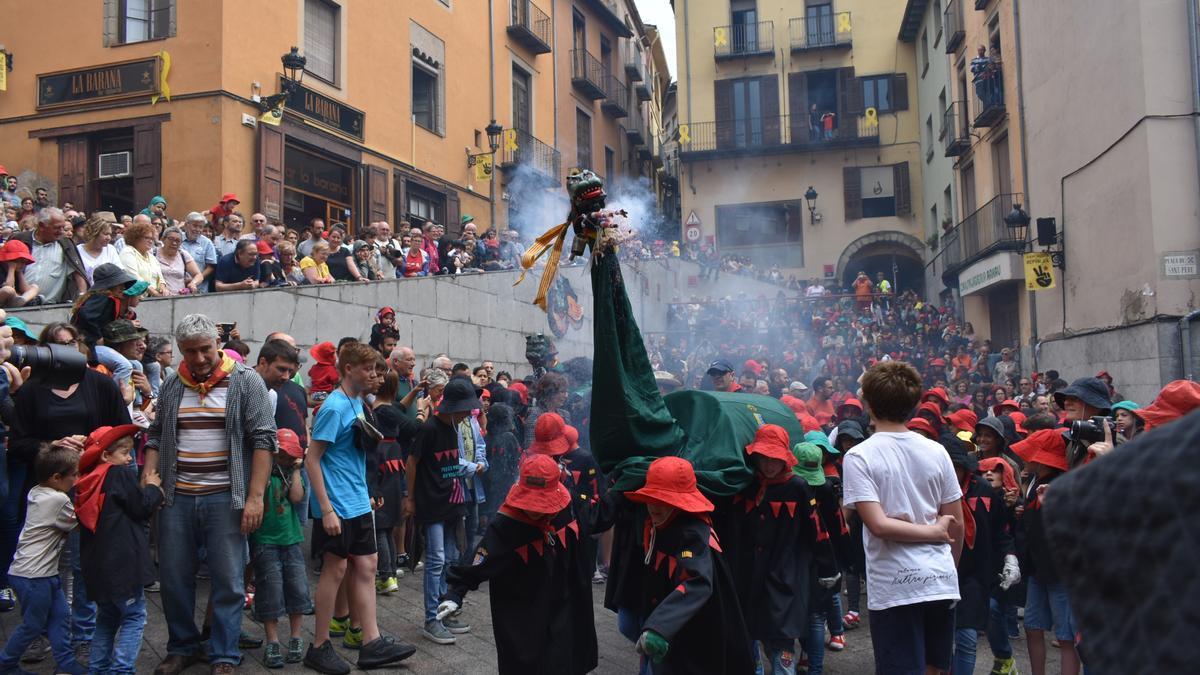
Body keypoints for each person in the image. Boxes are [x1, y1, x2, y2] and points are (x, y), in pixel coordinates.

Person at [143, 314, 277, 675]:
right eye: (190, 352)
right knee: (173, 578)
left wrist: (255, 497)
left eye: (205, 350)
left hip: (225, 497)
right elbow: (155, 435)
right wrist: (149, 477)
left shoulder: (246, 381)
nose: (199, 358)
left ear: (217, 344)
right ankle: (182, 647)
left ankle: (224, 653)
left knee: (229, 580)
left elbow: (265, 440)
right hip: (176, 497)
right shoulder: (173, 383)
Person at [841, 361, 964, 675]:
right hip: (940, 578)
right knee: (935, 668)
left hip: (896, 586)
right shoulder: (937, 451)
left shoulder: (859, 456)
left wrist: (937, 533)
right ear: (914, 403)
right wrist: (944, 556)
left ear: (868, 403)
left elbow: (879, 525)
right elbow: (956, 524)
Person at [304, 342, 416, 673]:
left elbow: (355, 456)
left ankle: (371, 642)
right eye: (369, 369)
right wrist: (325, 509)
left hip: (357, 502)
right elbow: (312, 460)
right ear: (348, 368)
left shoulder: (358, 403)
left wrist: (369, 491)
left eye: (378, 370)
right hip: (337, 505)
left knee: (367, 566)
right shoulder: (335, 407)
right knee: (335, 570)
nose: (376, 375)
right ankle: (319, 645)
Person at [437, 453, 600, 674]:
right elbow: (481, 557)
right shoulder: (506, 523)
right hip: (522, 612)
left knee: (562, 661)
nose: (535, 510)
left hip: (562, 603)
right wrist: (456, 593)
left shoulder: (567, 508)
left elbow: (596, 518)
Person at [623, 456, 754, 673]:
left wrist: (659, 627)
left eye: (663, 501)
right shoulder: (660, 526)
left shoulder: (691, 533)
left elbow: (697, 581)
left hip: (696, 636)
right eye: (651, 499)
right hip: (674, 633)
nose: (654, 507)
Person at [735, 425, 837, 675]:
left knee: (781, 641)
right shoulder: (746, 485)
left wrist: (828, 569)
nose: (769, 464)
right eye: (764, 458)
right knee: (750, 636)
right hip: (749, 576)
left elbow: (817, 530)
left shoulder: (798, 487)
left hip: (786, 578)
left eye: (775, 458)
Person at [75, 424, 163, 674]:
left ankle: (98, 668)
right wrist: (153, 488)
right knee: (134, 617)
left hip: (96, 566)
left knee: (107, 617)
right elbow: (141, 508)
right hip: (123, 563)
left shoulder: (86, 482)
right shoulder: (118, 474)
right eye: (125, 452)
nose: (128, 458)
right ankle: (121, 670)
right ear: (105, 455)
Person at [404, 377, 479, 645]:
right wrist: (410, 498)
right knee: (435, 559)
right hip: (431, 504)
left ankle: (443, 611)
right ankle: (430, 620)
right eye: (466, 409)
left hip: (452, 502)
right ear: (452, 406)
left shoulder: (454, 428)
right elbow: (411, 463)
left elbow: (450, 463)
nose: (469, 413)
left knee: (449, 558)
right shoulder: (429, 429)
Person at [0, 445, 87, 675]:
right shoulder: (57, 500)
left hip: (41, 573)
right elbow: (82, 524)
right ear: (56, 478)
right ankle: (6, 664)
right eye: (75, 474)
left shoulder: (37, 491)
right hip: (33, 576)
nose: (77, 479)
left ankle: (67, 663)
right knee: (33, 624)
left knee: (60, 617)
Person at [1009, 429, 1080, 675]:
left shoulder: (1065, 483)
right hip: (1037, 568)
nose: (1025, 458)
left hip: (1060, 571)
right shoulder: (1034, 482)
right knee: (1032, 625)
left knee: (1066, 635)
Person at [250, 429, 311, 669]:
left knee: (297, 589)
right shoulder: (263, 474)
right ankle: (273, 641)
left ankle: (296, 637)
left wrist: (295, 470)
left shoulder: (293, 474)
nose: (285, 460)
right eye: (282, 456)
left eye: (289, 457)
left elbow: (297, 498)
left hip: (291, 539)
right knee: (270, 590)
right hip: (265, 540)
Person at [13, 207, 87, 304]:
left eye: (63, 227)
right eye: (57, 227)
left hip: (52, 309)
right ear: (41, 226)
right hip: (18, 306)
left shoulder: (65, 244)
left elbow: (78, 272)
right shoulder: (21, 239)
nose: (61, 231)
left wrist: (82, 296)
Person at [119, 217, 168, 296]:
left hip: (154, 300)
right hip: (136, 300)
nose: (150, 241)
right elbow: (134, 277)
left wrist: (163, 288)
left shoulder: (151, 257)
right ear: (135, 237)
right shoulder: (127, 252)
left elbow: (160, 278)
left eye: (152, 238)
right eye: (146, 238)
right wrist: (154, 293)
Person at [156, 226, 204, 295]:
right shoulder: (153, 253)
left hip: (180, 298)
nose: (174, 243)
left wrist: (193, 283)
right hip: (157, 298)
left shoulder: (183, 255)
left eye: (178, 241)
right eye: (171, 239)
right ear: (163, 239)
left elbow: (199, 275)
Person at [180, 212, 218, 292]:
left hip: (199, 289)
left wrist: (196, 279)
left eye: (200, 227)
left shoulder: (207, 243)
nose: (197, 230)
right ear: (186, 225)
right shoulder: (177, 239)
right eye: (195, 226)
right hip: (178, 287)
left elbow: (211, 267)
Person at [0, 239, 42, 308]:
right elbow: (9, 288)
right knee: (8, 290)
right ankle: (25, 301)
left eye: (25, 262)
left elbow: (25, 290)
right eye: (21, 262)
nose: (23, 265)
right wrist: (11, 268)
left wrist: (19, 272)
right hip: (3, 298)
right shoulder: (3, 268)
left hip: (15, 299)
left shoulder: (18, 271)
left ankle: (23, 301)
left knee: (35, 287)